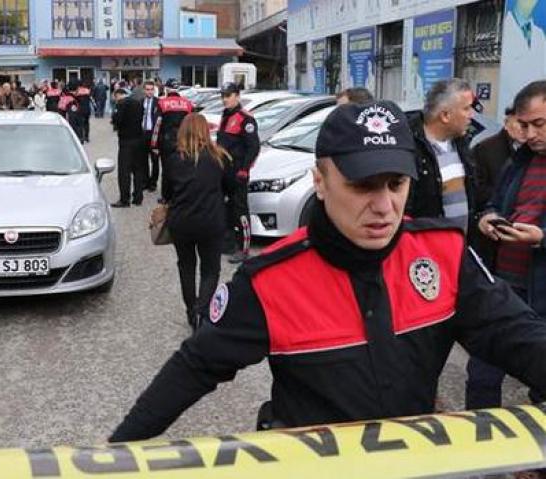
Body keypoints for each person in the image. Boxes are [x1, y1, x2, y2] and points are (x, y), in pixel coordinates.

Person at [109, 100, 546, 442]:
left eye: (396, 185)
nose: (384, 205)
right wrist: (115, 454)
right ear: (320, 181)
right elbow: (195, 368)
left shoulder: (443, 255)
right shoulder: (269, 281)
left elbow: (521, 338)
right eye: (362, 185)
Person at [468, 81, 546, 409]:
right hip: (504, 285)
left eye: (538, 124)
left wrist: (542, 238)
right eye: (523, 125)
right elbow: (495, 202)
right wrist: (487, 218)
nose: (528, 134)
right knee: (482, 374)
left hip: (541, 290)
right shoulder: (519, 160)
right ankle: (480, 449)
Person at [163, 114, 229, 329]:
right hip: (211, 221)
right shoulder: (219, 158)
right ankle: (203, 312)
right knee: (211, 269)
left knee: (186, 266)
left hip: (181, 221)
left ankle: (191, 311)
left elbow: (166, 192)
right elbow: (231, 188)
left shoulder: (174, 159)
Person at [406, 78, 478, 233]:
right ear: (445, 115)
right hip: (426, 248)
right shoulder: (410, 148)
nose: (471, 115)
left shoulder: (461, 144)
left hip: (459, 247)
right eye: (466, 109)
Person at [471, 106, 527, 266]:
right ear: (507, 122)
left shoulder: (533, 151)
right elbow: (476, 189)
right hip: (491, 228)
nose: (526, 130)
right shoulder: (485, 149)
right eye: (521, 124)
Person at [216, 82, 260, 263]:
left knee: (241, 211)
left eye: (228, 96)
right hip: (223, 172)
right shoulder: (225, 116)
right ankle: (229, 244)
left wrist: (244, 169)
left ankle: (244, 248)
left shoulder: (245, 118)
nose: (225, 99)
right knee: (226, 209)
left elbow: (253, 147)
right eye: (223, 96)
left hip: (238, 173)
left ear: (237, 96)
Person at [152, 78, 194, 199]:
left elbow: (157, 125)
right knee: (183, 168)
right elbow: (192, 123)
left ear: (167, 89)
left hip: (167, 141)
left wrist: (154, 145)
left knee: (166, 169)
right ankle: (181, 195)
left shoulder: (162, 103)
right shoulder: (187, 103)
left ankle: (166, 197)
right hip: (184, 141)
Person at [111, 87, 146, 207]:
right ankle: (138, 197)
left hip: (126, 141)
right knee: (138, 170)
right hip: (139, 139)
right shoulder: (138, 103)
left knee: (124, 171)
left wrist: (115, 121)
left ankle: (124, 200)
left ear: (117, 95)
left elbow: (117, 120)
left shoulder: (121, 104)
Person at [141, 81, 160, 191]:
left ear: (154, 90)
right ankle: (145, 181)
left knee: (155, 160)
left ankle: (153, 183)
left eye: (151, 89)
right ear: (144, 90)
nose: (149, 91)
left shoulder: (159, 103)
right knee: (143, 160)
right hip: (143, 133)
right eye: (147, 89)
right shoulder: (140, 102)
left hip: (154, 135)